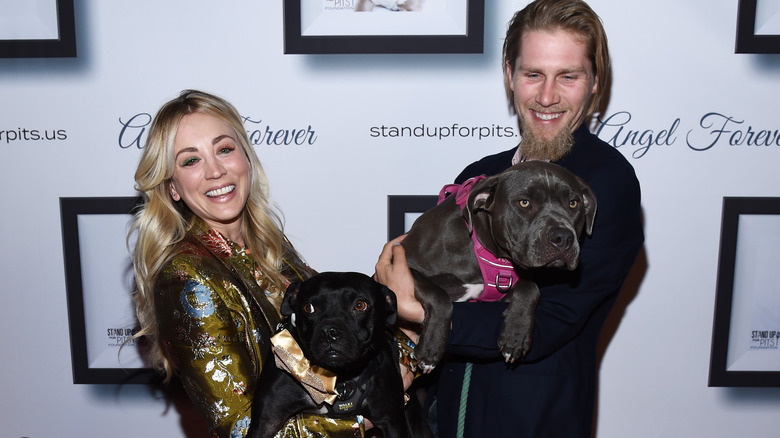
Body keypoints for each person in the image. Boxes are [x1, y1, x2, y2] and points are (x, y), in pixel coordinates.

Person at [375, 1, 644, 437]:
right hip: (442, 414)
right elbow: (428, 274)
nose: (547, 95)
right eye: (533, 74)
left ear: (595, 83)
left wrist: (419, 311)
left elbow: (551, 321)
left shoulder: (607, 181)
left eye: (568, 76)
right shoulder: (480, 177)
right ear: (509, 74)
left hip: (532, 417)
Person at [130, 90, 366, 438]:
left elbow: (324, 353)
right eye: (190, 161)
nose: (215, 170)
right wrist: (363, 419)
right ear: (172, 188)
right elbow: (241, 427)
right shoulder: (185, 277)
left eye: (224, 149)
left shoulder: (268, 245)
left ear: (246, 158)